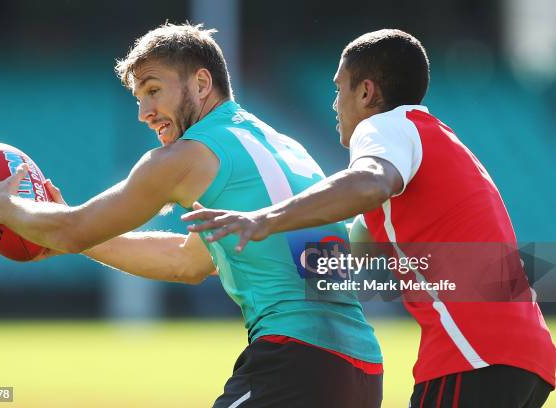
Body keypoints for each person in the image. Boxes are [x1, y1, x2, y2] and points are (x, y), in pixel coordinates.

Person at [0, 23, 383, 407]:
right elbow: (187, 259)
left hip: (295, 363)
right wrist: (72, 238)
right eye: (139, 97)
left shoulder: (186, 156)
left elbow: (73, 229)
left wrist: (4, 207)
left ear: (202, 83)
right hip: (360, 370)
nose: (144, 112)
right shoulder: (280, 145)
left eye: (154, 89)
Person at [183, 29, 556, 407]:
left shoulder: (385, 126)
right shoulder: (433, 139)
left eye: (338, 88)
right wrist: (236, 252)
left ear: (366, 92)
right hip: (526, 357)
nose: (334, 104)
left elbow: (371, 182)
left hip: (473, 355)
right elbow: (341, 254)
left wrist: (264, 218)